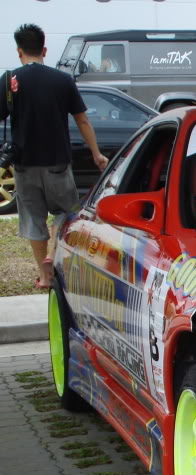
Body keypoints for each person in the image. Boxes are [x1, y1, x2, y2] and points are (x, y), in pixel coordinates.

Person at [0, 24, 107, 290]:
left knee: (33, 219)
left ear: (19, 51)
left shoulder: (9, 80)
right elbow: (82, 120)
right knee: (66, 213)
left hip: (24, 165)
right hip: (58, 163)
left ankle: (45, 276)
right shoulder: (62, 80)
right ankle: (56, 254)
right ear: (44, 49)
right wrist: (96, 153)